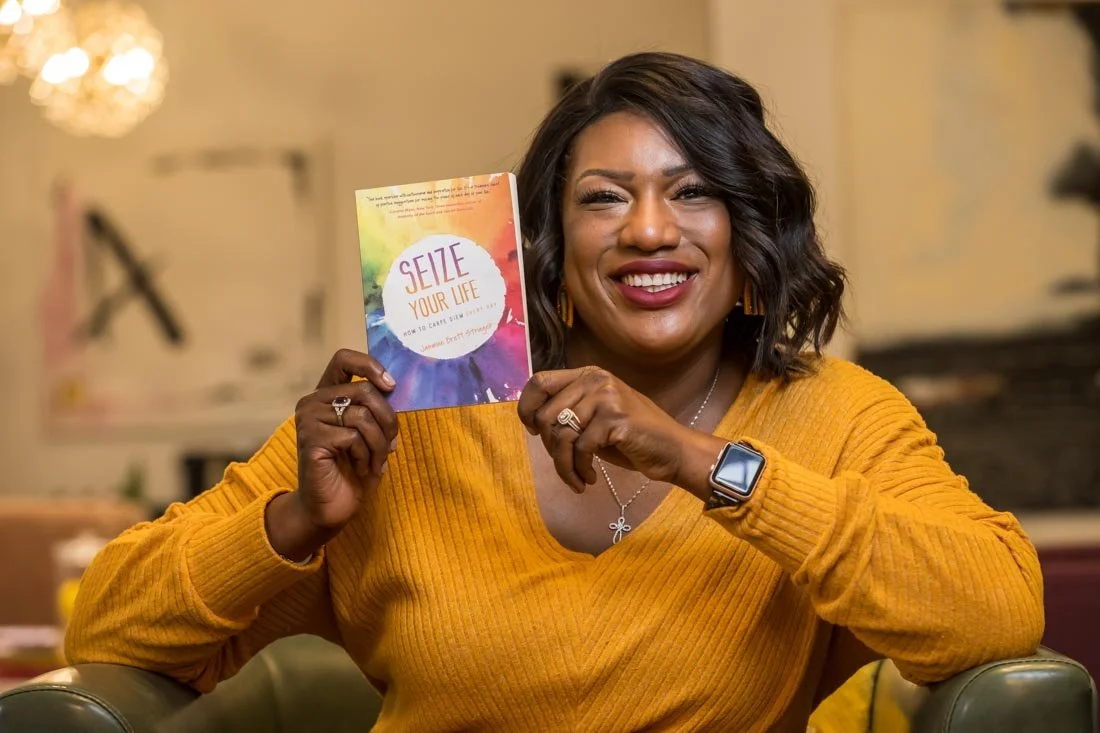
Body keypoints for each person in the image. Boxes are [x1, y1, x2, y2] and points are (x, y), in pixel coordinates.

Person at [65, 52, 1044, 732]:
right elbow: (105, 628)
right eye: (603, 197)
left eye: (694, 191)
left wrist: (698, 462)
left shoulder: (836, 412)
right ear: (545, 250)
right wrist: (288, 523)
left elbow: (995, 611)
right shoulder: (419, 414)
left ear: (749, 241)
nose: (649, 229)